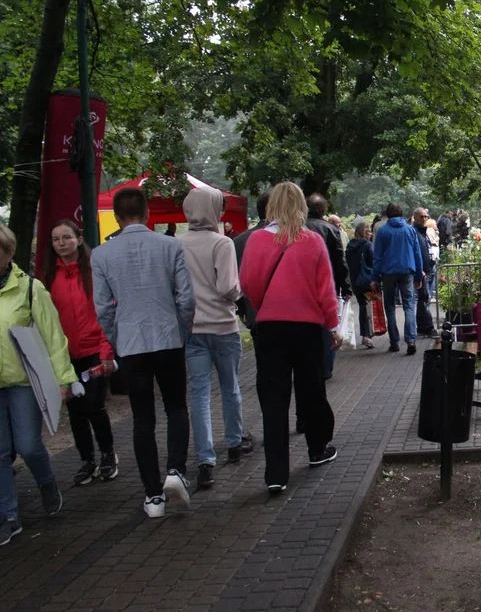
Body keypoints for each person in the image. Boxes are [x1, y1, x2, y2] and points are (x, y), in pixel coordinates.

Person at [92, 187, 195, 519]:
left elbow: (103, 308)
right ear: (147, 212)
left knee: (142, 419)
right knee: (177, 406)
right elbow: (186, 298)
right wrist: (181, 329)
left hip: (131, 343)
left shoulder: (101, 255)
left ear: (118, 217)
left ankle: (153, 496)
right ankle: (176, 470)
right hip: (168, 337)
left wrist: (117, 338)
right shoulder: (169, 245)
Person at [239, 182, 341, 494]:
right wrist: (333, 325)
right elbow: (325, 288)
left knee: (274, 399)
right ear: (300, 205)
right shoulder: (311, 241)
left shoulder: (256, 240)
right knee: (311, 391)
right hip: (307, 327)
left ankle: (276, 473)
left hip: (270, 327)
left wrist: (263, 305)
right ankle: (316, 448)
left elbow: (248, 283)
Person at [0, 225, 76, 546]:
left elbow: (53, 336)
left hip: (22, 383)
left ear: (8, 253)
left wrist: (64, 378)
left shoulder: (30, 289)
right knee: (0, 452)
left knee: (29, 446)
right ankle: (9, 515)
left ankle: (47, 483)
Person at [178, 188, 254, 490]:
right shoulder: (222, 243)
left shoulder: (176, 244)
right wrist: (239, 292)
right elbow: (227, 286)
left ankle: (205, 460)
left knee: (198, 394)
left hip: (192, 329)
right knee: (230, 387)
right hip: (222, 326)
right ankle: (235, 442)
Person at [44, 220, 118, 486]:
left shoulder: (93, 272)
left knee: (95, 406)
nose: (61, 243)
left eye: (66, 237)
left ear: (78, 238)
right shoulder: (49, 276)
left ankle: (108, 454)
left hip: (94, 350)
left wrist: (105, 351)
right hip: (65, 355)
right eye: (56, 239)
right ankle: (87, 459)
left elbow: (105, 312)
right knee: (75, 412)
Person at [306, 193, 352, 382]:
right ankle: (326, 368)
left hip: (304, 286)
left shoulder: (298, 228)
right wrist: (346, 286)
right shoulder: (331, 230)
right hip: (328, 284)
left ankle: (308, 366)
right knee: (328, 326)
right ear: (324, 210)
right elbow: (340, 261)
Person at [371, 202, 425, 354]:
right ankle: (411, 340)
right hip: (407, 271)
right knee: (409, 305)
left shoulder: (383, 231)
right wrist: (418, 275)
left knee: (390, 307)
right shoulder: (410, 230)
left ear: (387, 214)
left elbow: (378, 256)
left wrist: (374, 276)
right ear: (402, 214)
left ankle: (394, 342)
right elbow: (417, 254)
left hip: (388, 273)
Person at [233, 192, 269, 331]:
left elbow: (236, 280)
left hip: (254, 315)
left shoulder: (239, 240)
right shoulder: (286, 238)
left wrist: (244, 312)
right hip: (286, 316)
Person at [345, 224, 376, 349]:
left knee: (363, 306)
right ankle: (367, 335)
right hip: (367, 281)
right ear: (363, 233)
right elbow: (374, 262)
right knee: (369, 307)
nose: (370, 234)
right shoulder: (368, 245)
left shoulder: (350, 246)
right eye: (368, 232)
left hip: (355, 281)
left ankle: (365, 334)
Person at [411, 208, 436, 338]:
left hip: (428, 268)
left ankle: (422, 326)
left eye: (426, 216)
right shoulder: (414, 232)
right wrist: (418, 270)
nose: (424, 219)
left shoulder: (423, 232)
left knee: (424, 299)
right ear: (415, 217)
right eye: (421, 217)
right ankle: (429, 326)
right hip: (422, 271)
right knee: (425, 297)